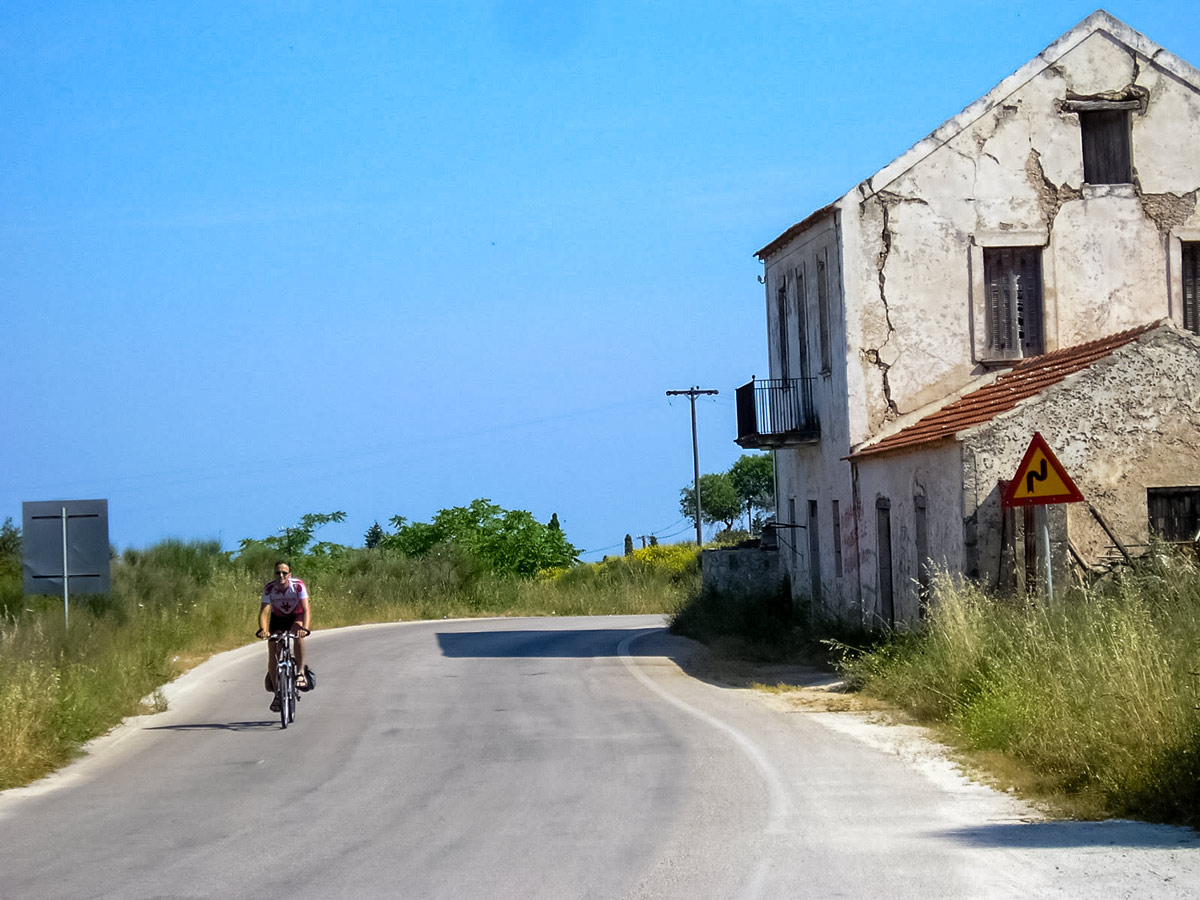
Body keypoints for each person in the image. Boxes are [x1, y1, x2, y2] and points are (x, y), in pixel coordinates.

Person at [256, 560, 311, 712]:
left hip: (296, 617)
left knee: (298, 636)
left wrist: (305, 628)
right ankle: (277, 693)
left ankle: (300, 673)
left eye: (284, 573)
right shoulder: (269, 589)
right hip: (278, 619)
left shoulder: (298, 586)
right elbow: (264, 612)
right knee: (273, 647)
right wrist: (264, 630)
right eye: (277, 573)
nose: (281, 575)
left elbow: (306, 610)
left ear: (289, 575)